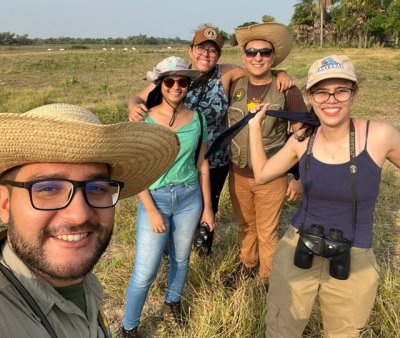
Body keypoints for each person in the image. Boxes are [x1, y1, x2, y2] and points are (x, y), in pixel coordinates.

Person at [249, 55, 400, 337]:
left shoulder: (380, 136)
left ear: (354, 92)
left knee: (345, 332)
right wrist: (254, 128)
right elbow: (262, 173)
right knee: (282, 328)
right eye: (321, 91)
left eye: (341, 90)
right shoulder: (302, 140)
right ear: (310, 96)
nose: (331, 100)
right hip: (299, 248)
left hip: (354, 255)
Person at [0, 103, 179, 337]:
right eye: (49, 188)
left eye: (97, 187)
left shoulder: (85, 284)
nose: (79, 215)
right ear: (4, 205)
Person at [128, 26, 294, 255]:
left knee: (209, 206)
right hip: (179, 158)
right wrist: (133, 107)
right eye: (201, 48)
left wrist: (280, 73)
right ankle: (169, 252)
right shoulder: (178, 76)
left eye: (212, 50)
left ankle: (202, 251)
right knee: (173, 205)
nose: (206, 54)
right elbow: (138, 96)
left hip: (215, 158)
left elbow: (258, 70)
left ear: (218, 55)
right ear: (191, 50)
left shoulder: (226, 74)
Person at [121, 56, 214, 337]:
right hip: (156, 199)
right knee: (145, 271)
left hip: (189, 198)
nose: (176, 87)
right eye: (170, 81)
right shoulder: (144, 120)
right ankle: (129, 327)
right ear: (160, 85)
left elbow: (202, 165)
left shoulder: (198, 118)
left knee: (182, 259)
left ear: (189, 85)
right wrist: (150, 209)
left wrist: (208, 209)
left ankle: (172, 302)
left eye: (182, 82)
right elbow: (137, 170)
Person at [227, 22, 307, 282]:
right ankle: (248, 265)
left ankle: (267, 280)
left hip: (272, 177)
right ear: (244, 57)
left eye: (264, 52)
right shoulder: (233, 85)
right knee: (245, 226)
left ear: (273, 57)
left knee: (267, 232)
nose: (258, 57)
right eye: (252, 52)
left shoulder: (287, 89)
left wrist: (299, 176)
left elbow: (302, 136)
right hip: (237, 174)